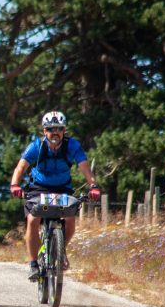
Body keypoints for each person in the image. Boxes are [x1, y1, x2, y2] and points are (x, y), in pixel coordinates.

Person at [9, 111, 100, 280]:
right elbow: (20, 167)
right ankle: (33, 264)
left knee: (70, 218)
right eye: (50, 129)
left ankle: (60, 251)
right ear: (44, 131)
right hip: (39, 188)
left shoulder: (72, 145)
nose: (54, 132)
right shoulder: (37, 146)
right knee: (33, 219)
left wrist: (93, 186)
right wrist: (15, 184)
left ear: (64, 131)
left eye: (59, 129)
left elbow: (85, 167)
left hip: (63, 188)